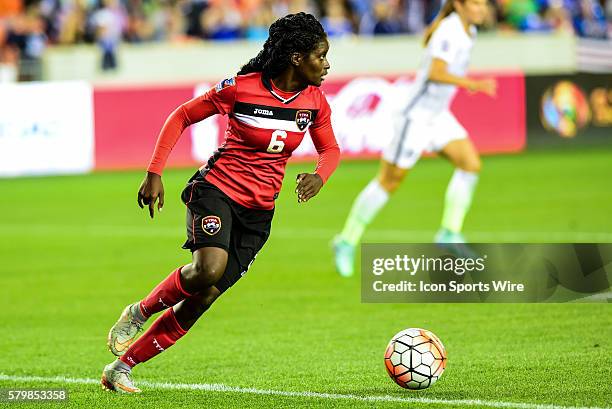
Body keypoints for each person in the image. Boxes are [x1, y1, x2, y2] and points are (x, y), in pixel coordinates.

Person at [100, 12, 339, 393]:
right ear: (296, 57)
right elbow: (182, 116)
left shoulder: (314, 102)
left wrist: (319, 176)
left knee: (204, 297)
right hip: (217, 190)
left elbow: (330, 150)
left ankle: (120, 368)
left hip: (259, 212)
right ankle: (139, 312)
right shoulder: (240, 88)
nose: (327, 65)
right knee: (208, 270)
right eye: (321, 56)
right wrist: (154, 171)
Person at [333, 0, 497, 277]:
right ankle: (346, 240)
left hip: (438, 115)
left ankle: (449, 233)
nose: (482, 8)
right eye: (476, 3)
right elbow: (435, 72)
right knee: (389, 182)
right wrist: (472, 84)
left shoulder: (469, 30)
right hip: (415, 117)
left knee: (470, 164)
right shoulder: (449, 30)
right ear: (459, 5)